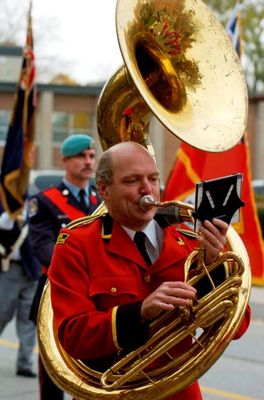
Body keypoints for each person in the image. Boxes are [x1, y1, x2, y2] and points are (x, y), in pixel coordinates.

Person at [48, 141, 251, 400]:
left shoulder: (191, 241)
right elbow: (73, 336)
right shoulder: (77, 244)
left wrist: (214, 266)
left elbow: (239, 326)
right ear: (104, 189)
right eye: (132, 180)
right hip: (111, 393)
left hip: (179, 392)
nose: (148, 189)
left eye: (153, 178)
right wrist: (140, 312)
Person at [28, 133, 101, 400]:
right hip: (55, 293)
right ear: (65, 161)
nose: (88, 161)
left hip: (95, 295)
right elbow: (41, 246)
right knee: (53, 370)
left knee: (92, 369)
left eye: (92, 156)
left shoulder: (100, 201)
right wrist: (79, 268)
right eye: (81, 156)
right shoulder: (45, 201)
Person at [0, 201, 40, 378]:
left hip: (31, 269)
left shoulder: (33, 204)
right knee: (2, 314)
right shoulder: (3, 204)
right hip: (9, 268)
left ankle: (24, 363)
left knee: (28, 319)